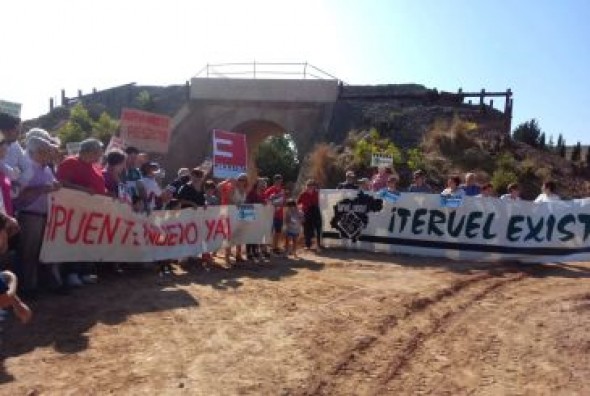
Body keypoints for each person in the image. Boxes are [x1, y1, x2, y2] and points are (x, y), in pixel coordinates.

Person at [15, 136, 62, 295]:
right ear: (35, 152)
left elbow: (52, 186)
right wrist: (42, 189)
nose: (49, 154)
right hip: (30, 216)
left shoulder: (47, 169)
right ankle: (29, 287)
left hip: (46, 216)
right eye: (46, 151)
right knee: (29, 253)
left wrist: (56, 186)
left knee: (48, 250)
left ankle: (49, 284)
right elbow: (17, 195)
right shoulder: (26, 169)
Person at [56, 138, 106, 286]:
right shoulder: (70, 162)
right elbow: (62, 183)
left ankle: (84, 272)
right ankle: (71, 273)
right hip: (74, 212)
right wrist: (84, 190)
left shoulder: (95, 166)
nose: (100, 155)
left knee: (87, 242)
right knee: (74, 242)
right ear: (89, 151)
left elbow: (99, 188)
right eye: (98, 152)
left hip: (91, 212)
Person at [218, 173, 249, 264]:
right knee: (230, 235)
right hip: (231, 213)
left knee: (240, 234)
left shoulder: (245, 190)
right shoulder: (232, 188)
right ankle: (227, 256)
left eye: (244, 180)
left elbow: (244, 202)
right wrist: (236, 205)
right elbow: (228, 198)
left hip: (241, 213)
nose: (242, 181)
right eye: (240, 179)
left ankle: (238, 255)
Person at [0, 113, 32, 196]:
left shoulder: (15, 145)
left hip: (8, 194)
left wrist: (18, 184)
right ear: (6, 131)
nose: (19, 134)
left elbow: (28, 168)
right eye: (17, 131)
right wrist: (13, 175)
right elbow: (8, 171)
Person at [297, 179, 322, 251]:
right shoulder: (303, 194)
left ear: (314, 186)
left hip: (316, 212)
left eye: (312, 185)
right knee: (307, 229)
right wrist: (300, 212)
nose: (310, 187)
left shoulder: (318, 193)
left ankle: (318, 245)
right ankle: (308, 245)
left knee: (317, 228)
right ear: (306, 186)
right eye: (309, 185)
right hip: (307, 212)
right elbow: (298, 203)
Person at [246, 178, 268, 260]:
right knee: (249, 235)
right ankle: (249, 253)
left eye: (263, 183)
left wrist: (265, 202)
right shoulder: (251, 193)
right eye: (261, 183)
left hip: (259, 217)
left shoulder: (263, 193)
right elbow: (247, 203)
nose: (262, 185)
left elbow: (263, 202)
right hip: (251, 216)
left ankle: (255, 251)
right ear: (257, 184)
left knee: (256, 235)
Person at [264, 174, 286, 254]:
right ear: (274, 181)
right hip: (271, 214)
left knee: (278, 231)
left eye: (280, 180)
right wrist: (273, 200)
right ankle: (266, 249)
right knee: (269, 232)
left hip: (279, 214)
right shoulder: (269, 190)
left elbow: (284, 202)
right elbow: (265, 200)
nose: (279, 182)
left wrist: (282, 204)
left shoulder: (282, 190)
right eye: (277, 180)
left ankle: (275, 247)